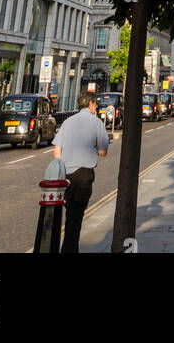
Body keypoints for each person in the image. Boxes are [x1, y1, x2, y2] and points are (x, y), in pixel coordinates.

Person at [51, 91, 109, 253]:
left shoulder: (68, 122)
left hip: (66, 175)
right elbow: (103, 152)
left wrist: (60, 168)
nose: (96, 107)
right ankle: (68, 250)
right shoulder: (96, 123)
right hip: (84, 174)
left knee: (70, 213)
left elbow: (57, 150)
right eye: (95, 104)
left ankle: (68, 248)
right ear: (90, 104)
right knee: (75, 216)